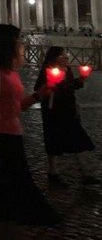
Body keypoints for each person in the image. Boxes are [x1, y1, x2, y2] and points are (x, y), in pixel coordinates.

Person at [0, 24, 62, 228]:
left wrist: (40, 94)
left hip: (14, 138)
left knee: (13, 197)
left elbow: (18, 106)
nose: (22, 45)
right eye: (18, 40)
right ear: (7, 44)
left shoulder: (11, 72)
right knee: (5, 199)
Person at [35, 47, 98, 186]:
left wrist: (81, 80)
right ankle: (53, 173)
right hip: (53, 112)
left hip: (68, 110)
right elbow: (39, 89)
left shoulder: (67, 70)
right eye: (64, 56)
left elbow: (69, 87)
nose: (67, 58)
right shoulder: (47, 70)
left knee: (78, 139)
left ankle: (86, 172)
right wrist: (51, 86)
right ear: (56, 58)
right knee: (53, 141)